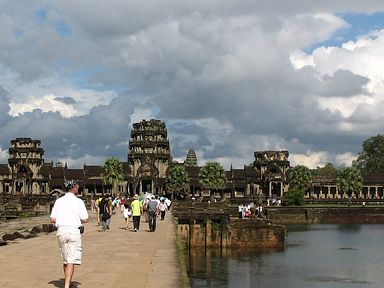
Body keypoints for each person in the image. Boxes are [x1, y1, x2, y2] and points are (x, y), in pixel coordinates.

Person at [50, 180, 88, 288]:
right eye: (77, 186)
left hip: (61, 232)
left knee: (65, 259)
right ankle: (67, 285)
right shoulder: (79, 202)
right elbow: (85, 219)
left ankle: (68, 282)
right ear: (73, 188)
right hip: (73, 231)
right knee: (71, 260)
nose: (78, 188)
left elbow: (53, 219)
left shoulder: (59, 201)